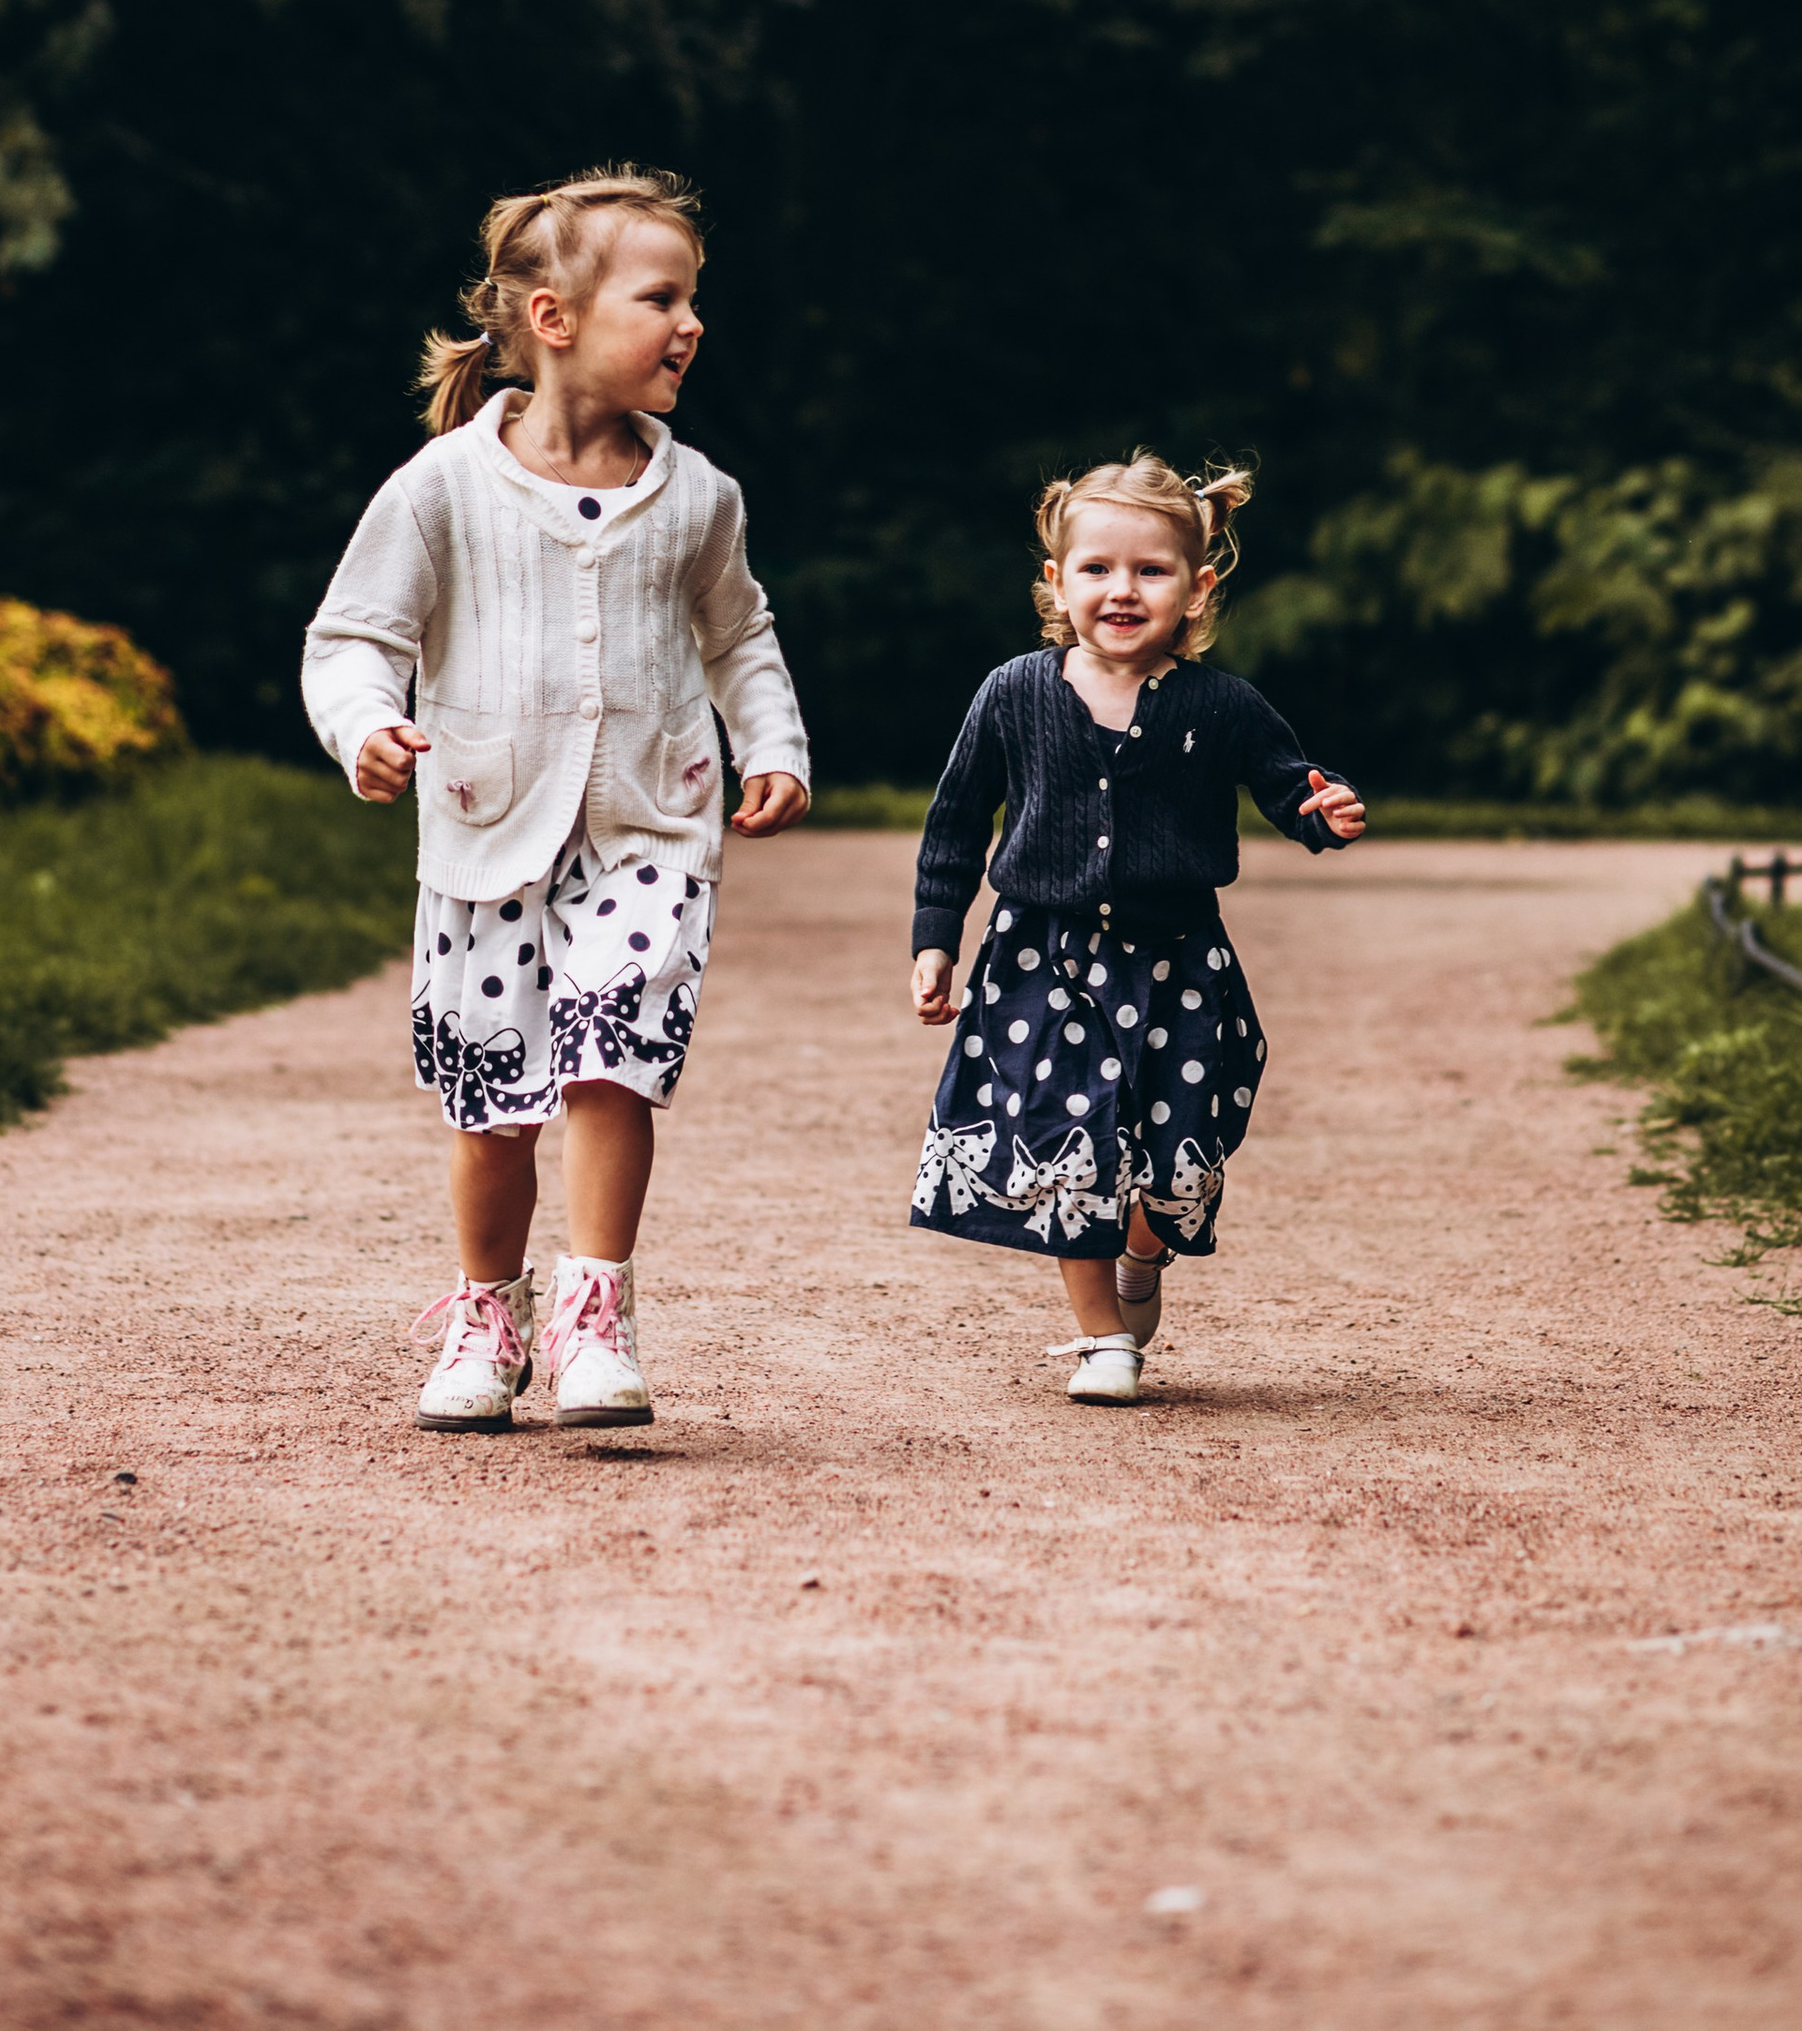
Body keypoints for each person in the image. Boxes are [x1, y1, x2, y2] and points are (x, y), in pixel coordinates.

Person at [303, 166, 809, 1435]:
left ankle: (596, 1317)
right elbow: (352, 639)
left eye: (694, 298)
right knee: (494, 1103)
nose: (691, 323)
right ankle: (486, 1313)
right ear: (553, 318)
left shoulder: (697, 495)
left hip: (652, 824)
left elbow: (739, 636)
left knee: (614, 1061)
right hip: (485, 832)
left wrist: (773, 741)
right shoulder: (441, 489)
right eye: (662, 297)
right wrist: (367, 727)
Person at [907, 453, 1364, 1402]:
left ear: (1195, 590)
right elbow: (955, 824)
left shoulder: (1222, 705)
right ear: (1056, 583)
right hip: (1043, 959)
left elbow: (1290, 784)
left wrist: (1322, 812)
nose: (1122, 589)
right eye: (1097, 569)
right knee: (1070, 1143)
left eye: (1151, 571)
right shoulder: (1012, 693)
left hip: (1179, 965)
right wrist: (935, 939)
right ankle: (1102, 1338)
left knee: (1179, 1146)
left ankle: (1144, 1247)